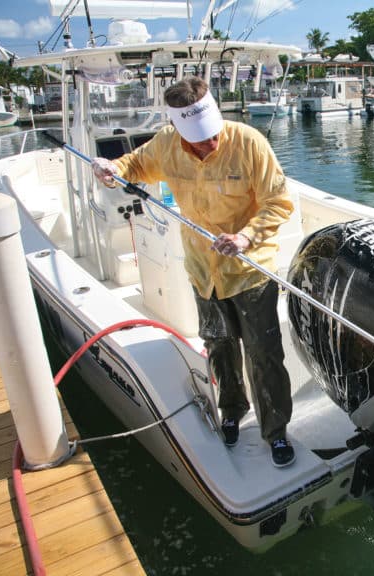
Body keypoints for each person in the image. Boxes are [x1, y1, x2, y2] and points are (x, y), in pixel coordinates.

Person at [91, 76, 296, 467]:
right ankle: (233, 409)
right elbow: (135, 165)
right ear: (179, 133)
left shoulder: (249, 141)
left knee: (263, 353)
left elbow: (279, 202)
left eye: (213, 135)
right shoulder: (166, 144)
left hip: (250, 270)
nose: (211, 144)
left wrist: (246, 237)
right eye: (200, 140)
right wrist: (111, 167)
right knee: (218, 344)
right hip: (204, 269)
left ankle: (277, 431)